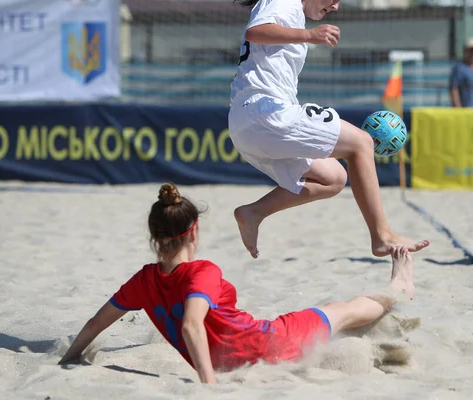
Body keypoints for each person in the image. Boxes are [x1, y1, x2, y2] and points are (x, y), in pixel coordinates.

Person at [58, 183, 417, 383]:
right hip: (272, 344)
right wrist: (208, 384)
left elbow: (95, 324)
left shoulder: (142, 281)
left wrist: (70, 358)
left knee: (340, 317)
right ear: (194, 231)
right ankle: (400, 288)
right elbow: (191, 325)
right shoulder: (203, 271)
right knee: (343, 311)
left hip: (246, 355)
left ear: (154, 236)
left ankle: (391, 298)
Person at [227, 0, 430, 259]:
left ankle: (253, 212)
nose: (335, 6)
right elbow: (255, 31)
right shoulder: (285, 1)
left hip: (250, 124)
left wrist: (306, 34)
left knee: (334, 178)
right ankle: (382, 236)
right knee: (361, 143)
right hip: (264, 112)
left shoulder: (292, 11)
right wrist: (309, 36)